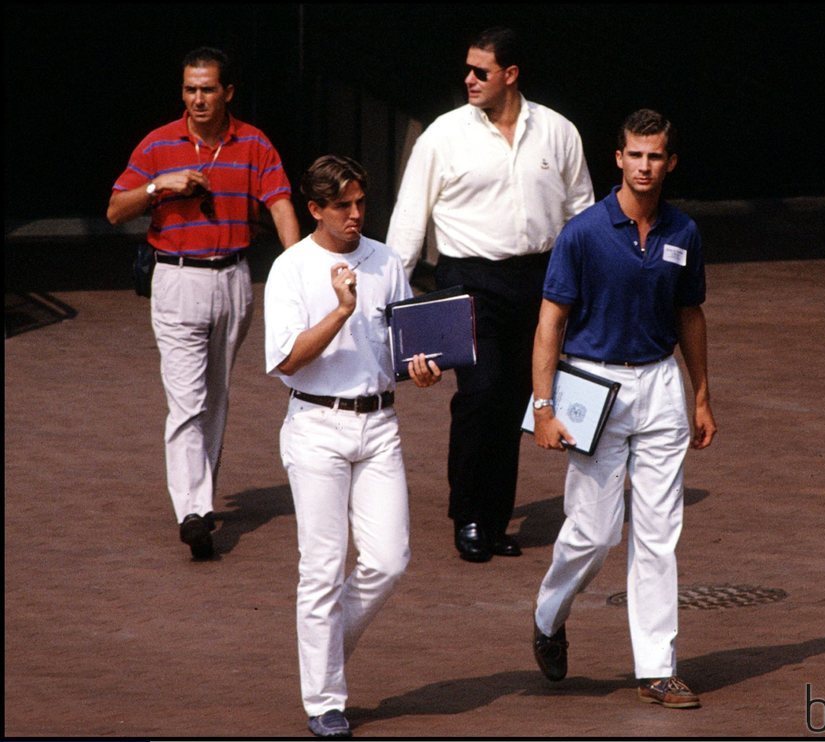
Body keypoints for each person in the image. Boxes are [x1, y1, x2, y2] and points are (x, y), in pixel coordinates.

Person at [530, 109, 717, 709]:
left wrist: (702, 393)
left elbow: (690, 314)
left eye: (656, 156)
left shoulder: (683, 232)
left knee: (660, 535)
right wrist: (544, 407)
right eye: (635, 154)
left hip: (660, 384)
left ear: (671, 162)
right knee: (593, 532)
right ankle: (548, 616)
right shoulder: (583, 233)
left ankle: (657, 667)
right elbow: (550, 324)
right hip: (592, 387)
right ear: (618, 159)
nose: (645, 166)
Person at [386, 26, 594, 563]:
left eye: (481, 71)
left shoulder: (557, 132)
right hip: (468, 280)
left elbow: (582, 214)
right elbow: (410, 219)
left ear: (511, 74)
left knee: (511, 401)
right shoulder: (443, 134)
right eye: (468, 69)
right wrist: (389, 299)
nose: (469, 79)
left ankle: (496, 517)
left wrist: (591, 285)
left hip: (538, 280)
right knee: (480, 394)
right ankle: (470, 516)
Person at [264, 155, 441, 739]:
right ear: (314, 209)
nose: (356, 215)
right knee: (320, 567)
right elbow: (287, 359)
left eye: (361, 202)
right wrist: (341, 309)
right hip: (315, 427)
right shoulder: (291, 269)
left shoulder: (386, 259)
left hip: (379, 423)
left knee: (389, 558)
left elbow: (401, 343)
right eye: (343, 206)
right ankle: (324, 700)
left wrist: (420, 368)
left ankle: (322, 648)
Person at [107, 47, 300, 560]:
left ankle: (201, 496)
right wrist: (158, 186)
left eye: (207, 89)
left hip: (233, 277)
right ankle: (193, 511)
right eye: (190, 89)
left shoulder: (254, 144)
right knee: (187, 400)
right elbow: (113, 209)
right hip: (177, 278)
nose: (197, 99)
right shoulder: (158, 143)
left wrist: (301, 266)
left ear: (228, 93)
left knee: (215, 396)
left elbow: (279, 202)